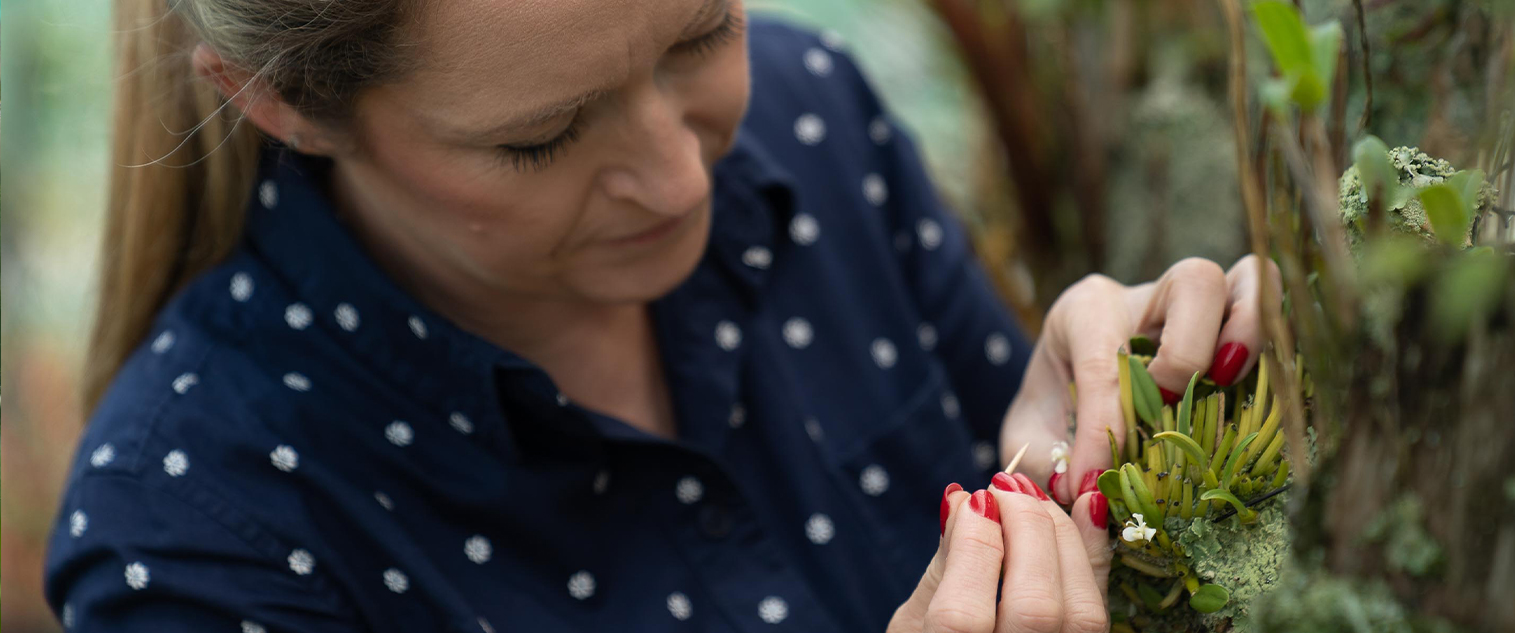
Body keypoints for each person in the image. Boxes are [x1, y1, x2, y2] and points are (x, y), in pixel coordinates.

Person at [46, 0, 1278, 630]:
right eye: (538, 139)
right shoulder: (209, 539)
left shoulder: (811, 121)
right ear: (284, 109)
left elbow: (1043, 502)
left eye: (699, 34)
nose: (684, 180)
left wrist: (1138, 456)